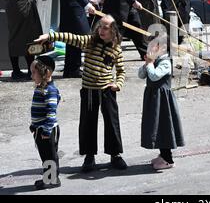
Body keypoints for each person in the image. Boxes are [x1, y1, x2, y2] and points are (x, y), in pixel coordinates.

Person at [34, 15, 127, 173]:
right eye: (100, 26)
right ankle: (89, 156)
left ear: (113, 31)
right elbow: (70, 37)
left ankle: (115, 154)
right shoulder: (90, 41)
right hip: (89, 90)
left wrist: (118, 84)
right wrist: (49, 36)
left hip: (107, 91)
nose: (101, 30)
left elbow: (121, 71)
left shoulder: (116, 48)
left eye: (105, 27)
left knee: (112, 123)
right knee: (87, 124)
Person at [138, 33, 185, 170]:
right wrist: (146, 64)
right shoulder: (154, 61)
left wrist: (150, 64)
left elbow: (154, 76)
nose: (150, 49)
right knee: (155, 127)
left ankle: (168, 159)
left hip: (163, 101)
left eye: (153, 46)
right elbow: (141, 75)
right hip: (153, 99)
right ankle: (162, 155)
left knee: (164, 128)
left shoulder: (165, 62)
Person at [29, 55, 61, 190]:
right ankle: (49, 177)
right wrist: (34, 125)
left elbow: (51, 113)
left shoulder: (50, 90)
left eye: (34, 72)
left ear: (46, 73)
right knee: (45, 155)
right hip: (40, 128)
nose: (31, 76)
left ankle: (52, 180)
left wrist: (47, 130)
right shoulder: (41, 87)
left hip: (47, 129)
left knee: (49, 156)